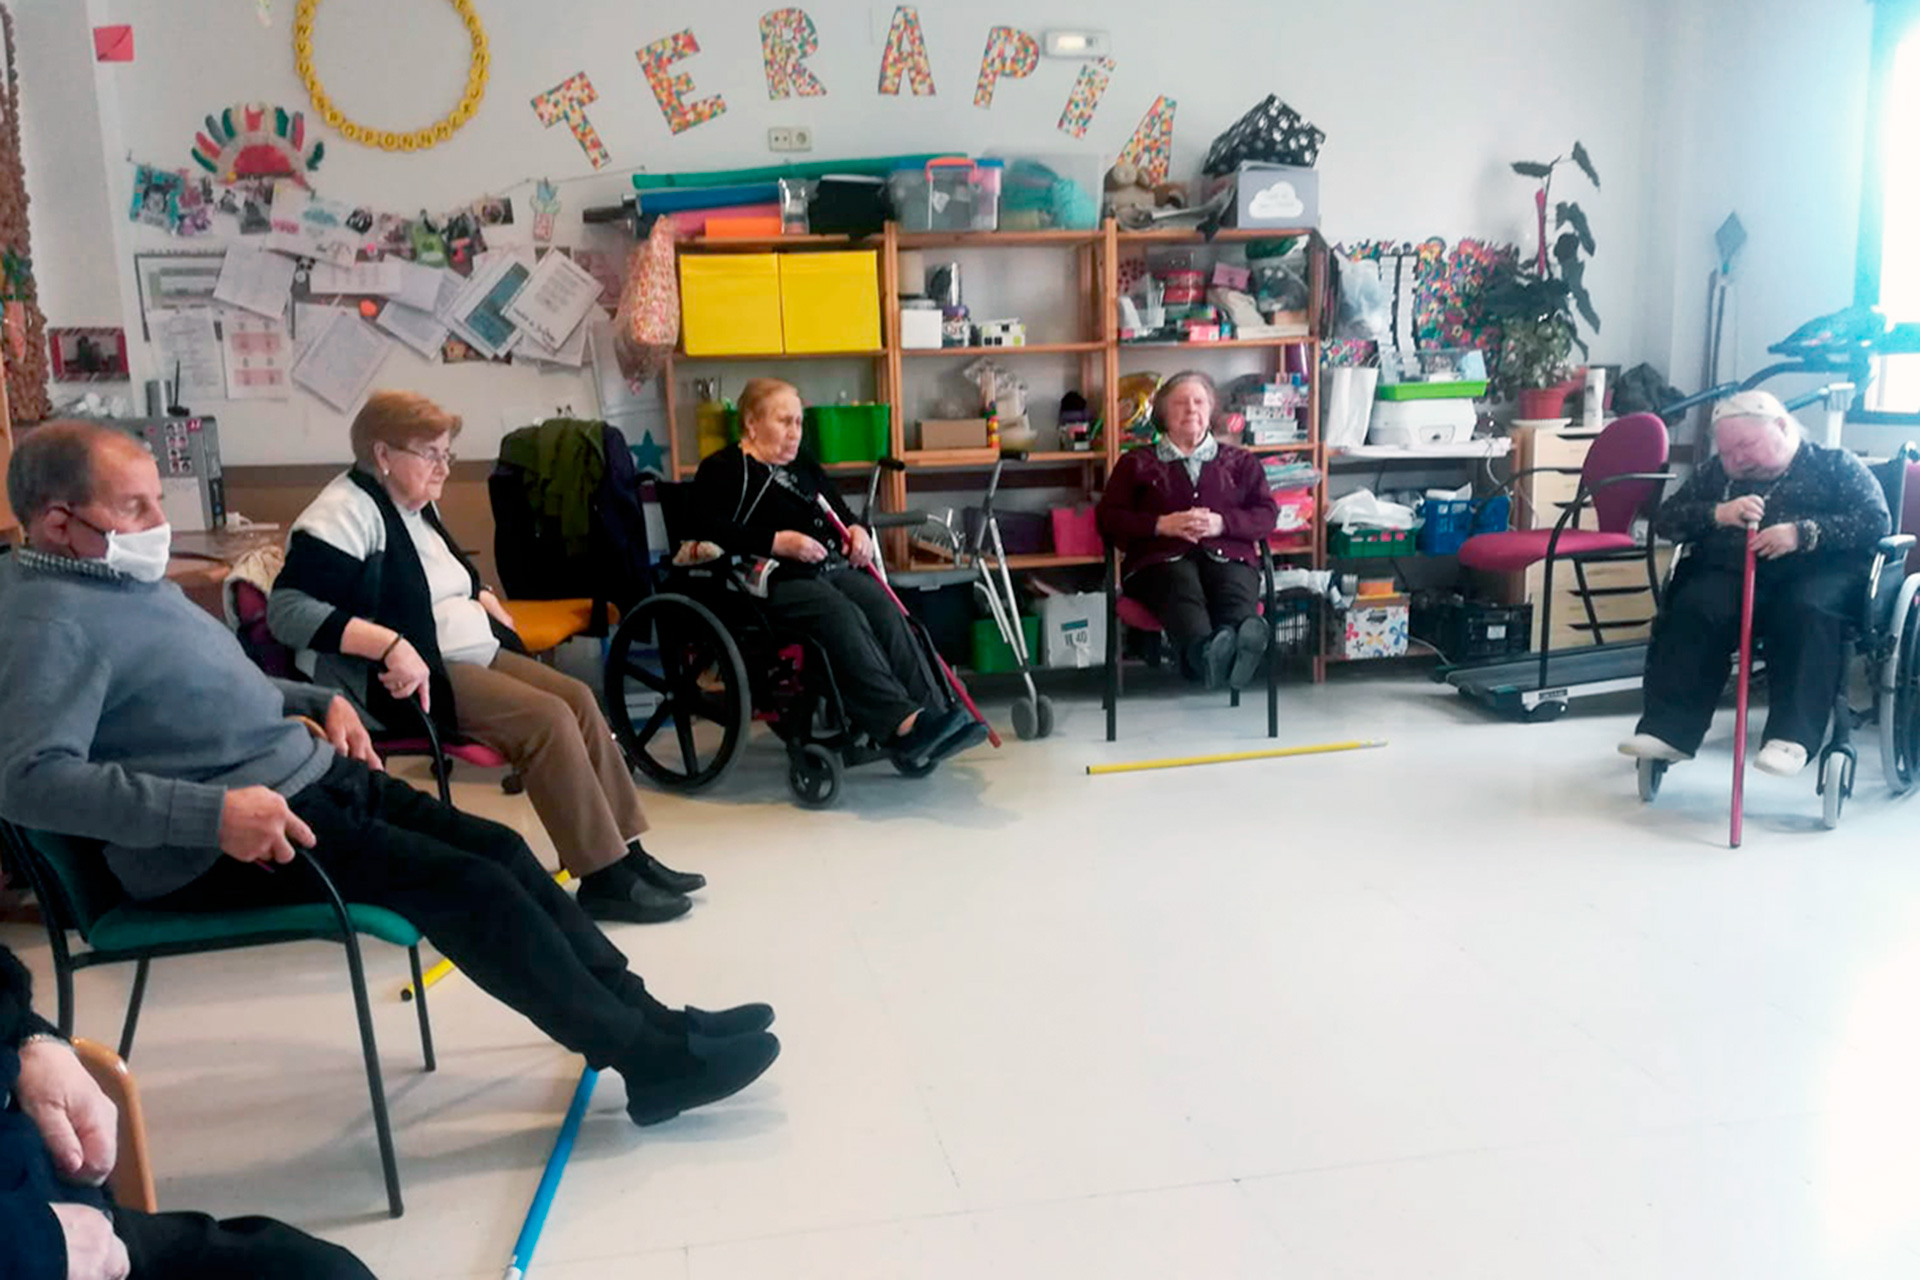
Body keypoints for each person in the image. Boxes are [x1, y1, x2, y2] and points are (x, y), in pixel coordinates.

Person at [0, 421, 780, 1136]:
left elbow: (206, 686)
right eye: (133, 508)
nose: (157, 524)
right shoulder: (50, 623)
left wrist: (319, 700)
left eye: (155, 501)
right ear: (59, 523)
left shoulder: (116, 583)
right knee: (473, 888)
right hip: (233, 839)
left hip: (307, 777)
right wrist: (211, 815)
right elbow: (28, 780)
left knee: (503, 852)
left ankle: (654, 1022)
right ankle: (648, 1060)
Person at [266, 391, 699, 925]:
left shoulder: (415, 504)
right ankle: (604, 876)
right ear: (382, 454)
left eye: (447, 453)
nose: (444, 467)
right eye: (431, 454)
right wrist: (389, 644)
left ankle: (628, 852)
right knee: (547, 719)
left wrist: (484, 596)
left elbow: (448, 575)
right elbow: (287, 611)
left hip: (466, 649)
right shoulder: (342, 514)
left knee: (579, 699)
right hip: (406, 677)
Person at [1, 942, 379, 1280]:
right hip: (35, 1248)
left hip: (68, 1220)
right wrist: (35, 1245)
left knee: (324, 1271)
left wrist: (35, 1040)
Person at [691, 378, 986, 769]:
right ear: (751, 423)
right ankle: (901, 723)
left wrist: (857, 532)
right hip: (765, 582)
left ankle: (934, 714)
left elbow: (841, 514)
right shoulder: (724, 469)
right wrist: (777, 541)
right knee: (840, 614)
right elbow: (707, 529)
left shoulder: (802, 465)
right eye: (784, 421)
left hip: (823, 570)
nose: (795, 432)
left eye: (799, 422)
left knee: (883, 607)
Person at [1619, 390, 1891, 775]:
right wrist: (1717, 513)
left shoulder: (1835, 465)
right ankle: (1669, 731)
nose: (1737, 460)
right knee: (1695, 607)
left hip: (1818, 574)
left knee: (1806, 612)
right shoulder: (1715, 474)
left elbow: (1875, 520)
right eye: (1727, 452)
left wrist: (1803, 533)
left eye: (1746, 446)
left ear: (1781, 427)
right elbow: (1666, 520)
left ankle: (1791, 738)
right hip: (1731, 572)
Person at [1096, 371, 1279, 690]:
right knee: (1180, 582)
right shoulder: (1135, 463)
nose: (1191, 409)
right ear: (1163, 414)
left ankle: (1231, 646)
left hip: (1229, 556)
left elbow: (1267, 515)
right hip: (1158, 561)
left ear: (1211, 411)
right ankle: (1205, 654)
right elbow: (1108, 519)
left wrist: (1223, 523)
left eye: (1199, 402)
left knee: (1233, 585)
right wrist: (1160, 525)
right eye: (1180, 403)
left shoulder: (1241, 462)